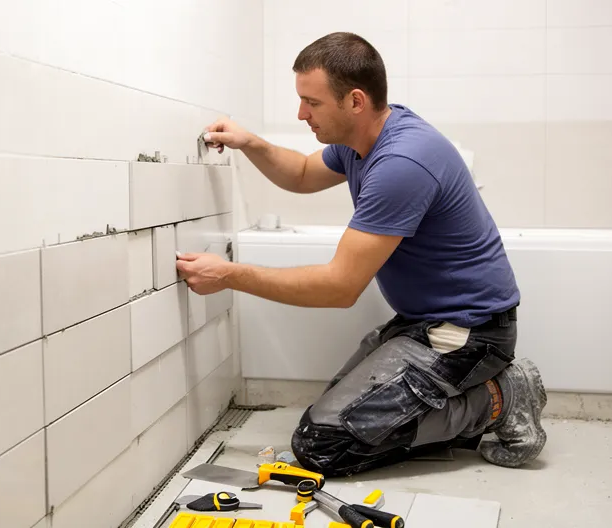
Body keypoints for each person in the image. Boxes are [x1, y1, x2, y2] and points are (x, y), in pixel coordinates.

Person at [175, 31, 546, 477]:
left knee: (326, 445)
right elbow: (304, 173)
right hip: (423, 323)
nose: (300, 114)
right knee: (343, 419)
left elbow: (340, 287)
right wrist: (251, 142)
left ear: (354, 101)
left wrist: (230, 275)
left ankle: (499, 397)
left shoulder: (401, 162)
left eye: (311, 103)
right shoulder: (366, 137)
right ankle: (471, 398)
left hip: (468, 334)